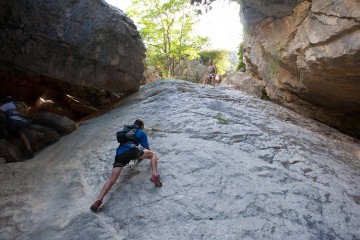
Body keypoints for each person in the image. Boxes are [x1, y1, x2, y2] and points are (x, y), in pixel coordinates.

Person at [90, 119, 162, 212]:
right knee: (153, 155)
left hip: (119, 155)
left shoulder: (126, 131)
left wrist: (140, 156)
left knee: (112, 179)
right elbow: (146, 148)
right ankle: (155, 175)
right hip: (131, 151)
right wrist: (150, 157)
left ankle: (98, 201)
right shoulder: (141, 132)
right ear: (142, 125)